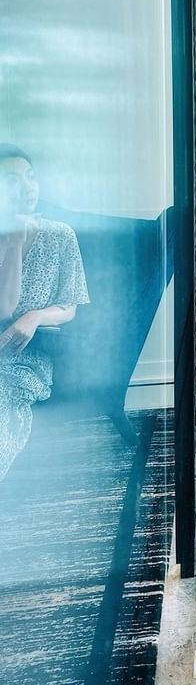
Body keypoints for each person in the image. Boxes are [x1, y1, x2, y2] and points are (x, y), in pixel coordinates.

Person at [0, 144, 89, 482]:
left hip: (25, 357)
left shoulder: (60, 236)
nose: (27, 188)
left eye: (31, 177)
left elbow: (69, 306)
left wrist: (34, 316)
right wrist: (12, 242)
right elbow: (3, 307)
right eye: (11, 180)